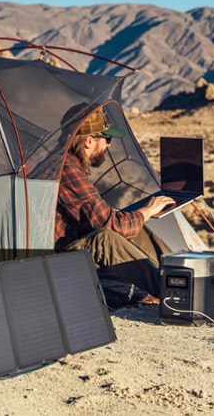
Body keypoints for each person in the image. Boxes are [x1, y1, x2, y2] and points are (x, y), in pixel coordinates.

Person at [54, 107, 176, 306]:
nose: (109, 146)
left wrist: (139, 216)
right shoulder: (66, 168)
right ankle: (173, 290)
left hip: (72, 247)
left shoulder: (70, 164)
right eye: (107, 139)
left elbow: (100, 216)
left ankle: (183, 275)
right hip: (58, 261)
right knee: (105, 238)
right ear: (89, 140)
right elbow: (109, 226)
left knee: (136, 227)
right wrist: (148, 211)